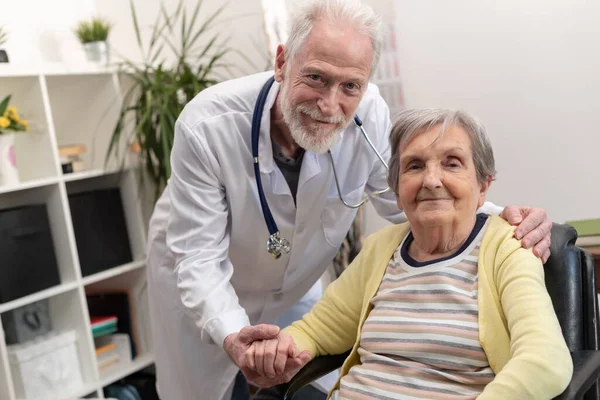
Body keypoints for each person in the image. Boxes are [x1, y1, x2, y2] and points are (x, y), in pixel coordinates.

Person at [145, 1, 553, 399]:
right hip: (201, 283)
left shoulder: (370, 116)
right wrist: (232, 335)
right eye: (316, 78)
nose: (329, 105)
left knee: (297, 367)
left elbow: (409, 203)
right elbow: (197, 259)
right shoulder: (207, 126)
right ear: (282, 63)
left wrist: (507, 218)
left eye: (350, 86)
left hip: (292, 283)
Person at [248, 109, 573, 399]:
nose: (431, 181)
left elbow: (545, 361)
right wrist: (280, 348)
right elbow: (318, 331)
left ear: (483, 186)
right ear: (398, 192)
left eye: (452, 163)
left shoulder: (508, 247)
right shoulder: (381, 248)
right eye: (414, 166)